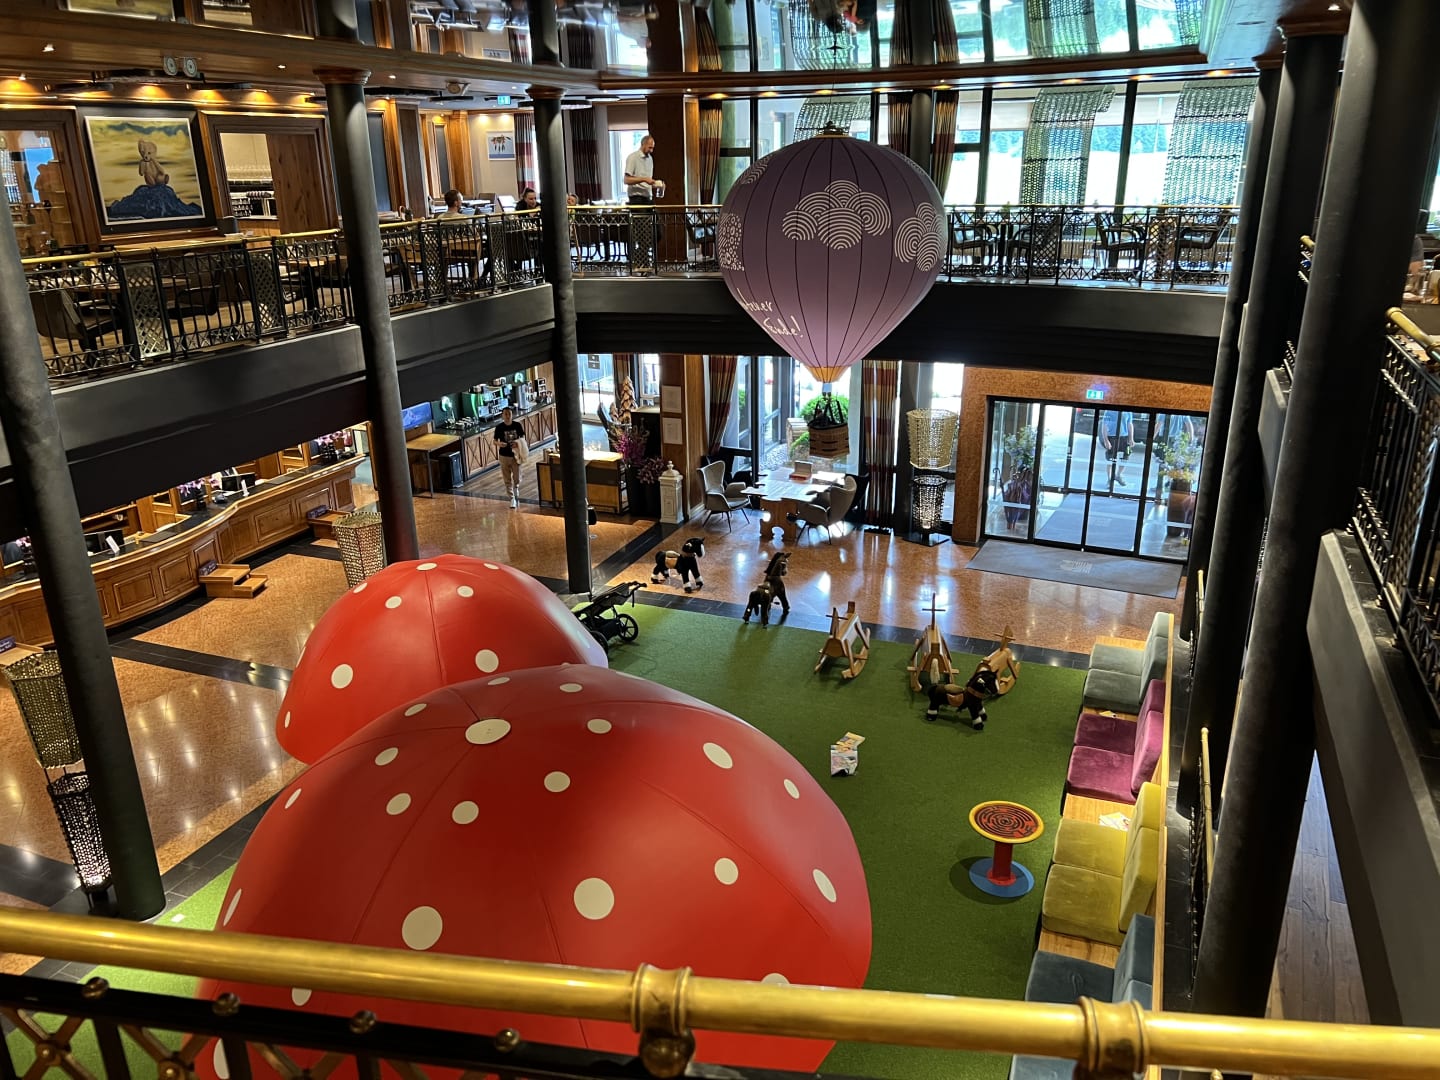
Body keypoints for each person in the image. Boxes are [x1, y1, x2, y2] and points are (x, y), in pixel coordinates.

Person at [494, 407, 526, 508]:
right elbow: (494, 441)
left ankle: (516, 487)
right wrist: (499, 444)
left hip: (515, 455)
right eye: (506, 414)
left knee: (517, 476)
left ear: (512, 415)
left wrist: (518, 443)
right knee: (506, 478)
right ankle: (512, 498)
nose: (508, 416)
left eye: (509, 414)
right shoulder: (499, 427)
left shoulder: (517, 425)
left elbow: (523, 437)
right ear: (502, 416)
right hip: (504, 455)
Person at [623, 134, 664, 205]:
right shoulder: (633, 157)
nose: (651, 150)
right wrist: (644, 179)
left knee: (657, 212)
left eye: (653, 148)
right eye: (649, 148)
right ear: (643, 144)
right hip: (636, 198)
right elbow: (626, 180)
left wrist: (658, 185)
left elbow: (647, 182)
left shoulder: (650, 159)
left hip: (648, 197)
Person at [1099, 409, 1134, 488]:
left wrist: (1131, 438)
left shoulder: (1128, 411)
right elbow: (1104, 425)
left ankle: (1118, 475)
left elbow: (1130, 424)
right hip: (1112, 437)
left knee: (1126, 457)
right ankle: (1110, 479)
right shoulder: (1109, 411)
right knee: (1110, 459)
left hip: (1124, 438)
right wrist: (1106, 440)